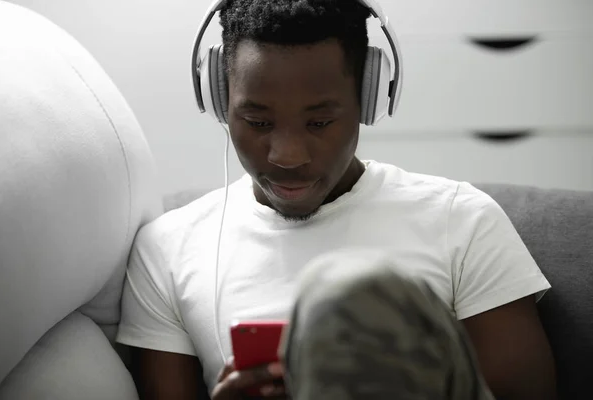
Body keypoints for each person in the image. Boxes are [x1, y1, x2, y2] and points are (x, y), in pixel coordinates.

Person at [116, 0, 557, 399]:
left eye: (320, 122)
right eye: (257, 122)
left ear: (367, 99)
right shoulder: (168, 250)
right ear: (219, 101)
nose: (288, 156)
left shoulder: (462, 220)